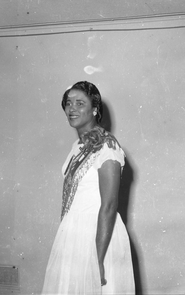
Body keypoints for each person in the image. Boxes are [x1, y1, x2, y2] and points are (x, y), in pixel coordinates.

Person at [41, 81, 135, 294]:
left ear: (94, 109)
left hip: (98, 237)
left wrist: (97, 259)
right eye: (68, 103)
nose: (71, 108)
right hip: (74, 234)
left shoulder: (108, 146)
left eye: (80, 103)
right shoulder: (78, 146)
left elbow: (109, 205)